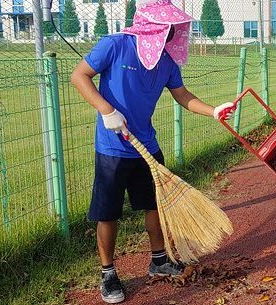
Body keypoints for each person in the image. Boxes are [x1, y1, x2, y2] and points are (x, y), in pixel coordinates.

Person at [70, 0, 234, 303]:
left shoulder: (167, 61)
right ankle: (108, 273)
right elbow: (79, 76)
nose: (173, 31)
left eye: (175, 26)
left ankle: (159, 261)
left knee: (154, 206)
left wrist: (214, 111)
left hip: (146, 145)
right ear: (151, 26)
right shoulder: (115, 45)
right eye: (168, 26)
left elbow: (182, 96)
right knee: (108, 214)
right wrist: (106, 110)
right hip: (113, 149)